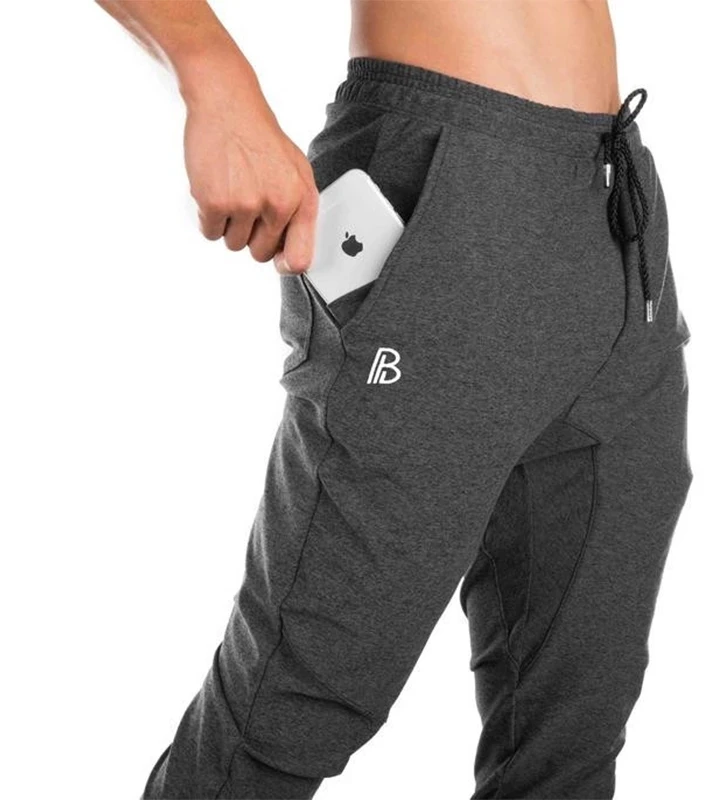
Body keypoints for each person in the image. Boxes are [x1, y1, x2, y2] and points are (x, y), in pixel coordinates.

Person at [96, 1, 693, 797]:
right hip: (448, 181)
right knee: (291, 707)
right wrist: (213, 75)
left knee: (572, 734)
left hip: (618, 209)